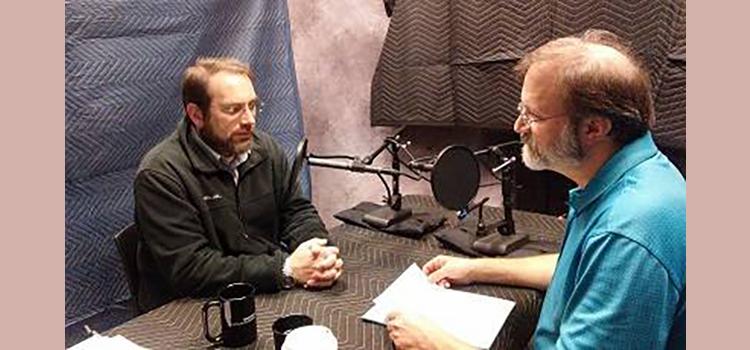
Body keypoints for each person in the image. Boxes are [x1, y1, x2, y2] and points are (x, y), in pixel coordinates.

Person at [386, 29, 685, 349]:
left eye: (533, 115)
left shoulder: (628, 230)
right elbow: (580, 269)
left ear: (594, 128)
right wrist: (475, 268)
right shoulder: (638, 177)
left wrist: (434, 344)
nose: (518, 127)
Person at [134, 57, 343, 312]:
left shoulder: (265, 149)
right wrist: (285, 269)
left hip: (260, 290)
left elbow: (296, 211)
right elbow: (192, 269)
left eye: (252, 106)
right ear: (196, 115)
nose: (249, 121)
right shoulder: (161, 175)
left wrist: (317, 252)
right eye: (233, 110)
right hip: (191, 308)